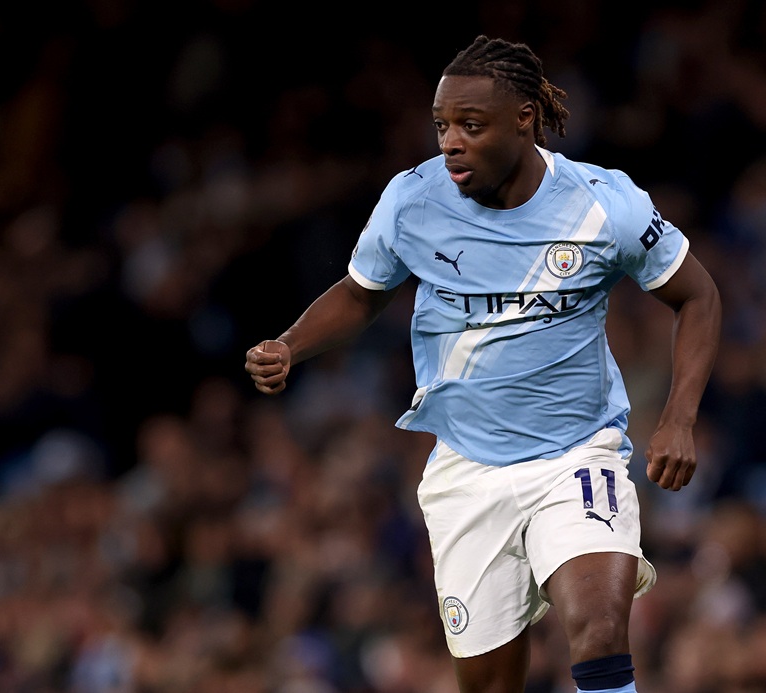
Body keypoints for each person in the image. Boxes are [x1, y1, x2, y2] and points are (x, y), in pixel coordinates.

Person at [246, 35, 721, 693]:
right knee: (492, 684)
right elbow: (361, 293)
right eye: (442, 125)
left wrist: (679, 417)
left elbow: (697, 295)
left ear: (524, 118)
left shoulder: (603, 204)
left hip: (577, 455)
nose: (450, 141)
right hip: (467, 472)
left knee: (599, 624)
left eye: (471, 125)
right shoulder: (413, 201)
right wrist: (290, 344)